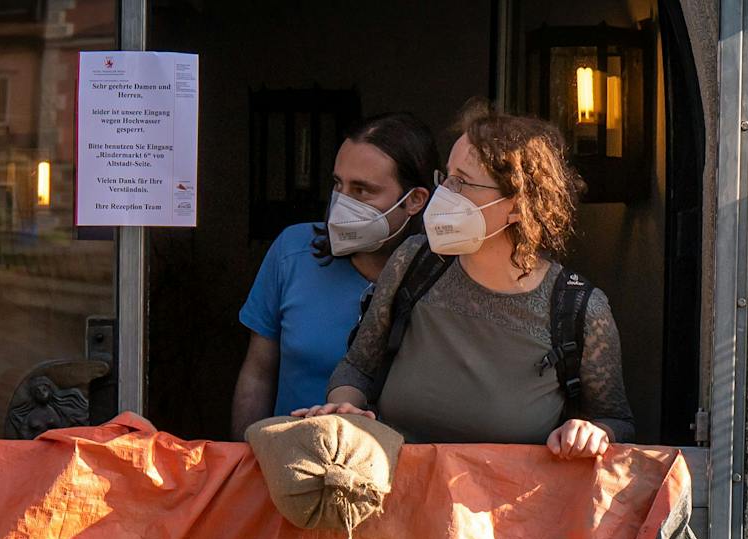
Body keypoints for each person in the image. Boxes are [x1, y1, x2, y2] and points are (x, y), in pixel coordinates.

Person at [303, 104, 633, 458]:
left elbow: (616, 419)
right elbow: (356, 367)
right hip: (394, 497)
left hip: (505, 510)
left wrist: (594, 432)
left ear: (518, 205)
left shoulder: (580, 310)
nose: (444, 192)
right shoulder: (415, 261)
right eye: (446, 176)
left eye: (462, 181)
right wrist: (345, 409)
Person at [230, 113, 438, 435]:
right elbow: (258, 374)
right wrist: (243, 461)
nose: (342, 202)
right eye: (338, 184)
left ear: (414, 200)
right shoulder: (292, 252)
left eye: (362, 190)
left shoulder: (444, 276)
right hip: (291, 465)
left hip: (400, 470)